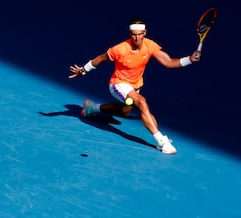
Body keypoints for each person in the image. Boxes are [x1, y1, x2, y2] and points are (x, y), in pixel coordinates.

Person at [68, 17, 201, 154]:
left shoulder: (150, 45)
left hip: (135, 86)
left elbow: (168, 62)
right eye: (134, 35)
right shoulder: (120, 49)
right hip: (118, 84)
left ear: (145, 33)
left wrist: (189, 60)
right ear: (130, 34)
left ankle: (92, 108)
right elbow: (100, 58)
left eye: (140, 34)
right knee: (141, 102)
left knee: (124, 112)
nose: (137, 38)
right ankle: (162, 141)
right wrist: (83, 70)